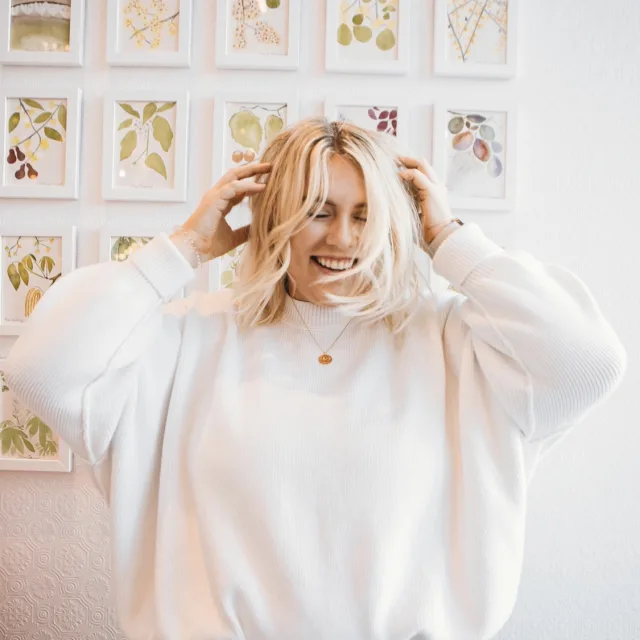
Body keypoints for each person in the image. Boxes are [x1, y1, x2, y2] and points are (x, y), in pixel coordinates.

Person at [4, 117, 626, 640]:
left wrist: (451, 242)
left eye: (365, 214)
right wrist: (185, 246)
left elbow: (588, 362)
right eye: (318, 211)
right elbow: (42, 368)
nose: (344, 238)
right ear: (275, 215)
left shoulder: (453, 342)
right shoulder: (185, 340)